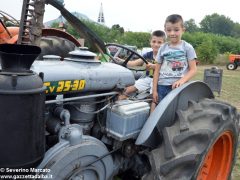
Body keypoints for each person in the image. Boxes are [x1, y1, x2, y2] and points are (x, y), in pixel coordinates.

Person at [152, 14, 197, 110]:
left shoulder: (187, 47)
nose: (172, 33)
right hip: (162, 85)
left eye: (176, 30)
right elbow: (156, 70)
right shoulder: (162, 48)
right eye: (169, 30)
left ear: (183, 30)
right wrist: (154, 90)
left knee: (178, 112)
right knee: (161, 112)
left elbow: (193, 69)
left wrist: (181, 81)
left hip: (179, 87)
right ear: (165, 30)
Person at [117, 30, 166, 100]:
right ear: (150, 42)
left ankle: (153, 104)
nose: (156, 44)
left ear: (164, 44)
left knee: (153, 91)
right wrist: (121, 60)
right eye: (154, 41)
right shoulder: (148, 55)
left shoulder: (164, 55)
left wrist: (154, 66)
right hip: (148, 78)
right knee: (130, 88)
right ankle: (119, 102)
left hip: (159, 80)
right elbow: (134, 63)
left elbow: (166, 67)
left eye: (159, 42)